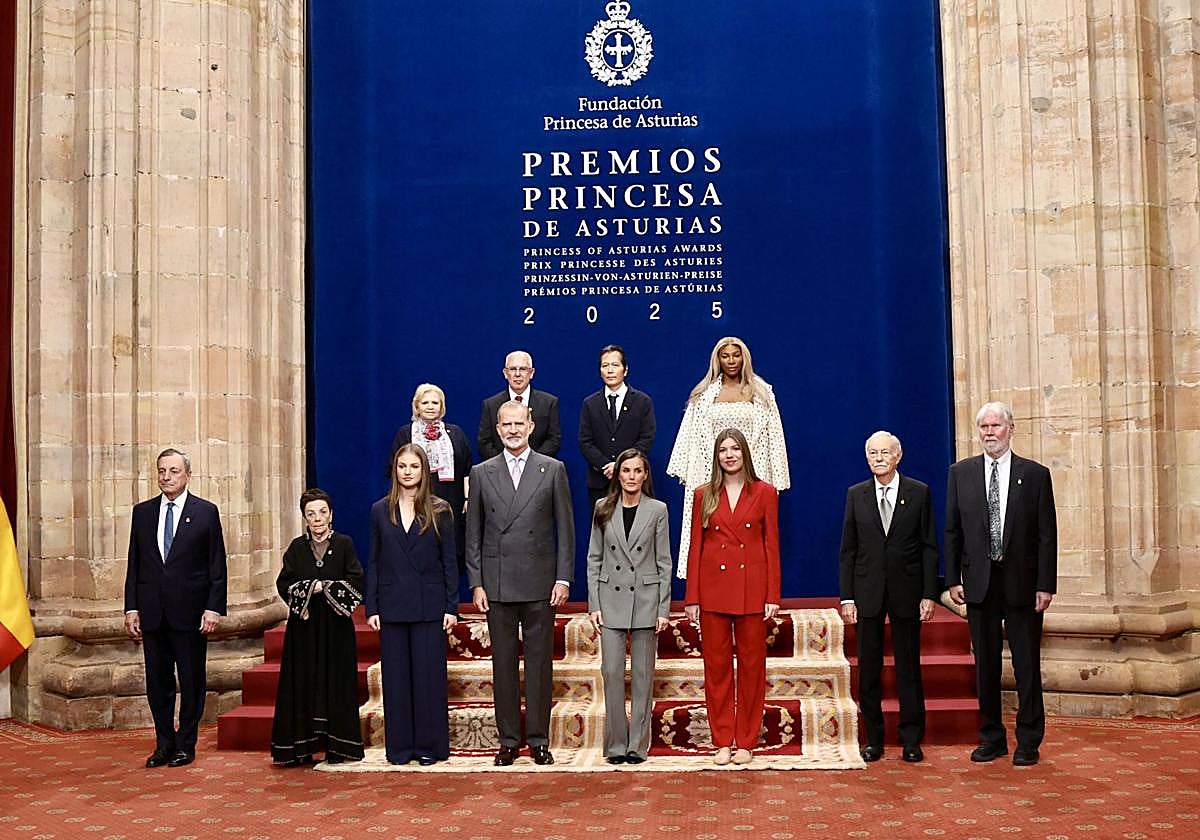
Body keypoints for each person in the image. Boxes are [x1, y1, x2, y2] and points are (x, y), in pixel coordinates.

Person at [946, 401, 1057, 767]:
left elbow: (1046, 535)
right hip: (979, 585)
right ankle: (991, 737)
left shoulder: (1036, 474)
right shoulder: (960, 473)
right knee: (986, 666)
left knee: (1026, 665)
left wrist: (1046, 584)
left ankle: (1028, 740)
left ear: (1011, 428)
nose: (989, 432)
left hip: (1024, 586)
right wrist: (952, 581)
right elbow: (953, 531)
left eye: (996, 425)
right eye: (983, 427)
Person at [465, 400, 574, 766]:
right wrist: (476, 582)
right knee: (504, 666)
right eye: (506, 424)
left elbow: (566, 530)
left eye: (519, 423)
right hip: (496, 584)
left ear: (531, 427)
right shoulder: (481, 472)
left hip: (541, 583)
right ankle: (509, 741)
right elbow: (473, 535)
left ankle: (540, 740)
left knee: (540, 665)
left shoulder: (553, 469)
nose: (512, 430)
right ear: (497, 429)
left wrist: (563, 577)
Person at [123, 448, 227, 769]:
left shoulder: (206, 512)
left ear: (188, 475)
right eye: (162, 471)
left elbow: (217, 566)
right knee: (158, 682)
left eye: (174, 471)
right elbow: (135, 565)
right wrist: (131, 608)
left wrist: (213, 608)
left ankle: (187, 744)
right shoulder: (142, 513)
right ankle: (164, 743)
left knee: (192, 681)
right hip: (153, 613)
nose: (167, 477)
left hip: (191, 614)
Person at [838, 431, 938, 763]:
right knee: (869, 669)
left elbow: (928, 547)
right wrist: (847, 597)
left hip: (907, 591)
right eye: (872, 453)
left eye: (884, 452)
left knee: (908, 668)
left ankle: (911, 739)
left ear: (898, 456)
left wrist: (928, 593)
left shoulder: (919, 492)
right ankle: (874, 739)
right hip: (867, 592)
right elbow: (848, 551)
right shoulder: (856, 495)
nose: (878, 458)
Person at [683, 428, 781, 766]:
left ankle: (746, 741)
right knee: (717, 669)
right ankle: (722, 740)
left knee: (753, 669)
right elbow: (695, 548)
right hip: (712, 592)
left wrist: (773, 594)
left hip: (752, 592)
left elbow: (772, 547)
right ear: (716, 456)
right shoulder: (703, 494)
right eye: (723, 449)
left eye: (735, 448)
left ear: (745, 453)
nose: (729, 455)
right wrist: (691, 598)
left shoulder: (765, 493)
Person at [366, 445, 459, 765]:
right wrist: (372, 607)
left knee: (428, 679)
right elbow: (374, 561)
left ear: (424, 471)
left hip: (428, 605)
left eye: (414, 466)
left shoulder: (441, 509)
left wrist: (451, 607)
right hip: (391, 606)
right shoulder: (380, 509)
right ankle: (400, 748)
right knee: (396, 680)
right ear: (395, 470)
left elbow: (449, 562)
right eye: (402, 466)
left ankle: (429, 748)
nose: (407, 471)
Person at [668, 336, 789, 577]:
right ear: (717, 360)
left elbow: (774, 436)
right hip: (712, 473)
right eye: (725, 356)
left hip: (752, 474)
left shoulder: (762, 392)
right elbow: (692, 438)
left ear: (744, 358)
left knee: (750, 532)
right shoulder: (703, 396)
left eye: (736, 355)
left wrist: (777, 479)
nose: (731, 360)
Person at [586, 448, 672, 764]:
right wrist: (593, 602)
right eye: (626, 471)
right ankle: (616, 744)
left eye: (637, 471)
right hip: (610, 600)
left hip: (646, 600)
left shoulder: (657, 510)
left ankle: (637, 744)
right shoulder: (603, 508)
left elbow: (664, 561)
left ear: (645, 475)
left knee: (642, 675)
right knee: (611, 672)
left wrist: (664, 608)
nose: (632, 477)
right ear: (617, 475)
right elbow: (594, 558)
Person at [270, 489, 365, 766]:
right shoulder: (296, 548)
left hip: (336, 629)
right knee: (303, 684)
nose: (317, 518)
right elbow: (284, 584)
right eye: (311, 514)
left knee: (336, 683)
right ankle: (300, 748)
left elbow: (357, 581)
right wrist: (312, 587)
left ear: (331, 514)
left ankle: (339, 747)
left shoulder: (345, 544)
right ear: (304, 518)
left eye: (322, 512)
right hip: (305, 629)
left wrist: (328, 588)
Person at [391, 383, 472, 573]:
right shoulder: (405, 433)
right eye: (425, 402)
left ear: (442, 406)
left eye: (435, 402)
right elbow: (395, 471)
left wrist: (468, 499)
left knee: (450, 558)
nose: (430, 406)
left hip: (452, 502)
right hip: (416, 503)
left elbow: (468, 469)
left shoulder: (456, 433)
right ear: (416, 407)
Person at [578, 345, 657, 511]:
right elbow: (585, 441)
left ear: (625, 370)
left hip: (633, 480)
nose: (610, 370)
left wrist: (620, 465)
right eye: (605, 366)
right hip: (600, 481)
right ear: (600, 371)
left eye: (615, 365)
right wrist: (606, 465)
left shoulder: (642, 402)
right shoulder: (590, 403)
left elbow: (647, 438)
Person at [477, 350, 562, 459]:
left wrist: (531, 464)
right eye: (512, 369)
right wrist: (505, 464)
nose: (517, 374)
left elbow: (553, 440)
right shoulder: (490, 405)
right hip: (500, 472)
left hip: (538, 471)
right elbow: (484, 443)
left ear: (531, 373)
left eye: (523, 369)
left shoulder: (549, 403)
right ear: (505, 373)